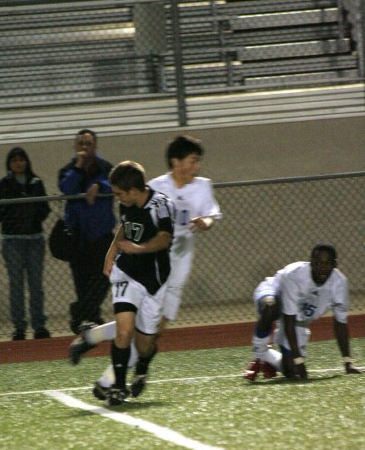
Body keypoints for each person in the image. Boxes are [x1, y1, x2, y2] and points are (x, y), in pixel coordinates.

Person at [69, 134, 222, 399]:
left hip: (175, 270)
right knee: (130, 327)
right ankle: (109, 382)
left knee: (149, 335)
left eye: (197, 161)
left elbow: (210, 217)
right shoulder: (153, 187)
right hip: (142, 266)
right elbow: (132, 221)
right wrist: (117, 249)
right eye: (192, 160)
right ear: (176, 161)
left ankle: (91, 338)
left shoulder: (202, 186)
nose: (196, 166)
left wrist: (203, 223)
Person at [102, 160, 175, 406]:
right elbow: (124, 227)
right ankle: (118, 387)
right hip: (127, 274)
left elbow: (165, 238)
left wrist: (139, 248)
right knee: (124, 331)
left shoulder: (161, 205)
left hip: (154, 281)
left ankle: (142, 365)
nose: (116, 198)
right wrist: (111, 253)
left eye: (119, 194)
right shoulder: (126, 203)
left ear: (134, 190)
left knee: (145, 345)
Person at [244, 244, 362, 380]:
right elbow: (289, 320)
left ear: (335, 264)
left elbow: (340, 324)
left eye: (327, 263)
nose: (322, 267)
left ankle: (268, 359)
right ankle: (260, 353)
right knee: (271, 307)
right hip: (274, 294)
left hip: (298, 319)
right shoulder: (295, 275)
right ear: (311, 262)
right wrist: (298, 359)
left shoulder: (339, 284)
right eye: (318, 263)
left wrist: (348, 362)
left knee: (292, 372)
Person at [0, 146, 51, 341]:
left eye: (22, 159)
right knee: (16, 285)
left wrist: (32, 215)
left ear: (27, 161)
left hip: (35, 239)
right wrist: (11, 214)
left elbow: (44, 209)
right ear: (9, 164)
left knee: (36, 284)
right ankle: (19, 327)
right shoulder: (3, 185)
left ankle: (39, 325)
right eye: (14, 160)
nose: (18, 163)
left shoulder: (36, 183)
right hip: (12, 241)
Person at [58, 129, 116, 335]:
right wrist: (79, 168)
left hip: (102, 235)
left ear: (95, 146)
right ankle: (91, 319)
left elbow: (115, 185)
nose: (85, 147)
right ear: (76, 147)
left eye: (88, 143)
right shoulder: (68, 169)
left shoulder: (106, 168)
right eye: (81, 143)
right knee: (81, 281)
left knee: (105, 276)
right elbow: (67, 188)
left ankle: (79, 312)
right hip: (78, 236)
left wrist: (99, 185)